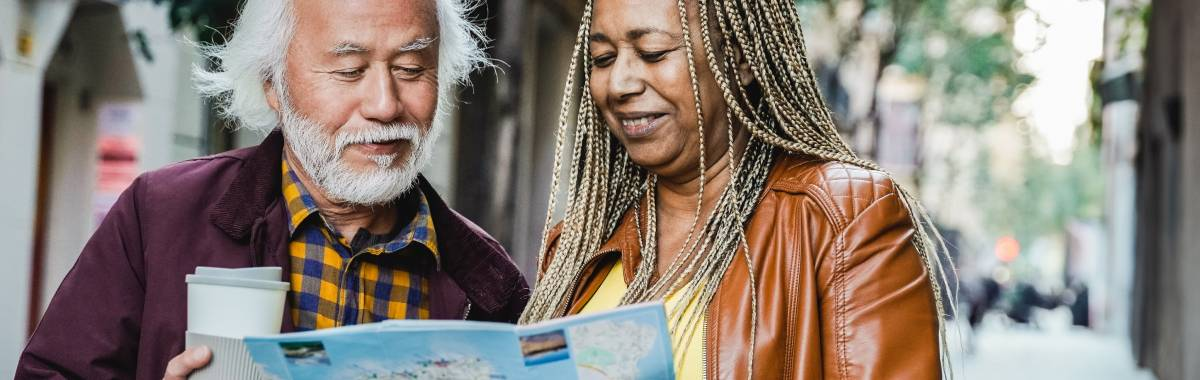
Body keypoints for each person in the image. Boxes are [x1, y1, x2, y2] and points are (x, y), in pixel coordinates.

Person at [17, 1, 529, 379]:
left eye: (412, 69)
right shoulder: (161, 215)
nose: (385, 105)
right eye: (349, 70)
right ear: (272, 83)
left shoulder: (489, 285)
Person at [520, 0, 952, 378]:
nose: (620, 84)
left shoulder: (843, 219)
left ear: (740, 57)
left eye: (653, 53)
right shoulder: (576, 249)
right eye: (602, 58)